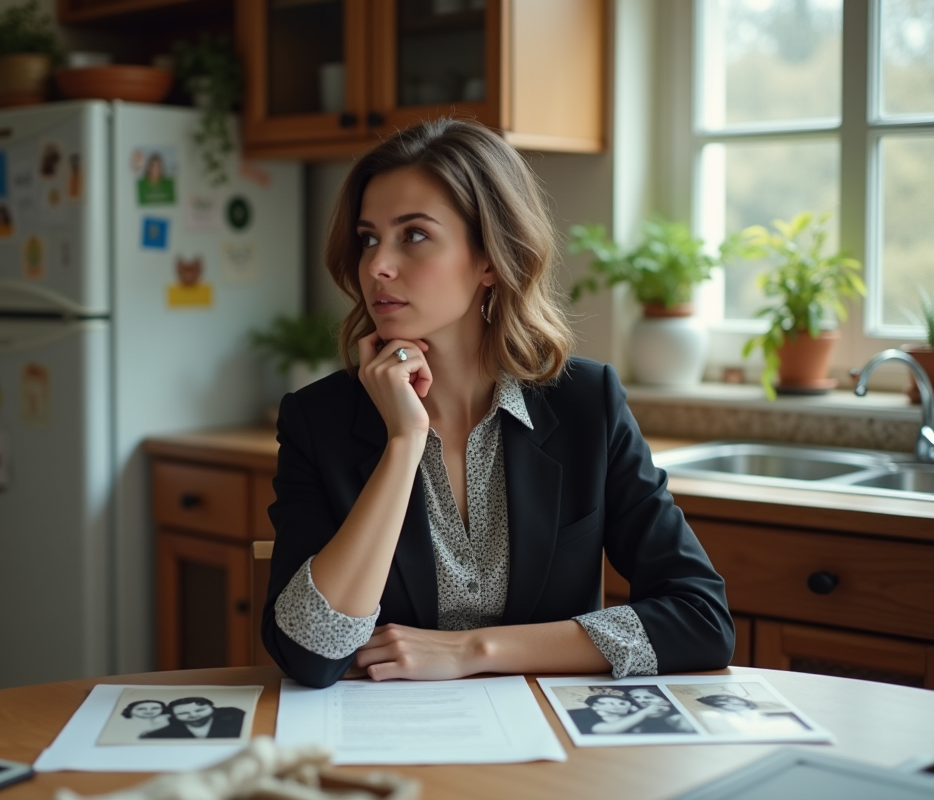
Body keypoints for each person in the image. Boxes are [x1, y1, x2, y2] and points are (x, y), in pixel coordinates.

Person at [260, 117, 735, 690]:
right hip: (388, 749)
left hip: (553, 749)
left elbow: (701, 618)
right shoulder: (319, 421)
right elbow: (309, 655)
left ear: (489, 259)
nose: (377, 266)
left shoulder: (588, 404)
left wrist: (472, 651)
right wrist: (403, 443)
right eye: (368, 238)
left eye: (413, 235)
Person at [694, 693, 810, 735]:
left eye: (728, 699)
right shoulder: (726, 724)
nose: (728, 702)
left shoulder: (776, 713)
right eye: (720, 703)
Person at [140, 697, 245, 739]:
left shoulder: (236, 717)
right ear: (174, 716)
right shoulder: (159, 733)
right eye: (184, 713)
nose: (193, 715)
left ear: (212, 708)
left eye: (200, 710)